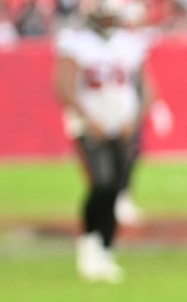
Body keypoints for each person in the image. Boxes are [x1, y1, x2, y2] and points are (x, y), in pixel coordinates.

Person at [54, 0, 154, 283]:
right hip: (90, 126)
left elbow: (146, 86)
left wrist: (133, 120)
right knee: (102, 182)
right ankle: (89, 242)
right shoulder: (75, 43)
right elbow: (63, 85)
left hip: (121, 124)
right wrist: (87, 118)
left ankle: (106, 250)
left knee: (118, 187)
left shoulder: (129, 43)